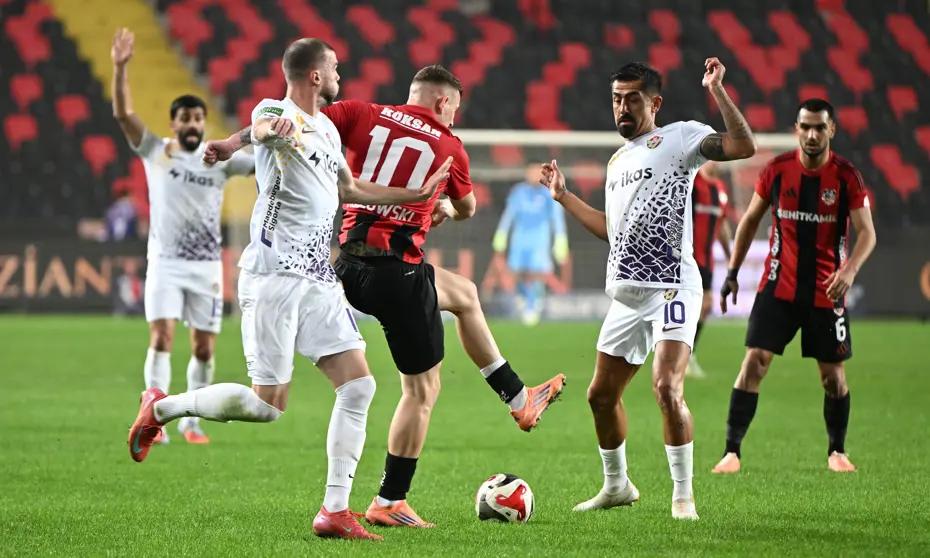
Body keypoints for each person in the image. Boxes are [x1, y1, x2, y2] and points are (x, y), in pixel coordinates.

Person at [203, 65, 566, 529]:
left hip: (347, 266)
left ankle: (519, 398)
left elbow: (285, 119)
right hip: (398, 276)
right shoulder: (449, 146)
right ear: (441, 102)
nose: (455, 116)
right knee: (421, 389)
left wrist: (234, 143)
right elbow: (468, 208)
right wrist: (442, 208)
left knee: (466, 295)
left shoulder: (360, 113)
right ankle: (390, 500)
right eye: (455, 107)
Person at [128, 38, 451, 541]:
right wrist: (241, 141)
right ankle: (163, 408)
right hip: (274, 276)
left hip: (320, 280)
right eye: (335, 67)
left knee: (360, 386)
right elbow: (262, 129)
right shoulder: (276, 113)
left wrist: (418, 195)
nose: (341, 73)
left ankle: (335, 511)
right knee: (266, 406)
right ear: (316, 76)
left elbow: (351, 189)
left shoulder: (323, 128)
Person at [541, 59, 756, 520]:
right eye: (617, 98)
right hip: (628, 295)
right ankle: (617, 486)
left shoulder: (680, 137)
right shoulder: (617, 160)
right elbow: (612, 232)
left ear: (654, 103)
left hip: (673, 286)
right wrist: (563, 195)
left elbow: (742, 145)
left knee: (666, 387)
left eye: (632, 99)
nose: (622, 106)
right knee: (600, 396)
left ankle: (683, 496)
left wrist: (717, 90)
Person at [712, 98, 876, 475]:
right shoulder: (776, 171)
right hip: (777, 287)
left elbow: (868, 234)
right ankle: (731, 452)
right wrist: (733, 271)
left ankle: (837, 451)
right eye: (805, 126)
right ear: (796, 129)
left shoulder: (847, 177)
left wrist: (849, 271)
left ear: (831, 130)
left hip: (827, 291)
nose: (812, 134)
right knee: (754, 362)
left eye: (820, 127)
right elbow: (750, 220)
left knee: (832, 377)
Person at [111, 28, 255, 445]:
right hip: (166, 263)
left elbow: (264, 165)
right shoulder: (158, 152)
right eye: (185, 119)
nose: (192, 124)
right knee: (161, 337)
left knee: (204, 349)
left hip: (207, 266)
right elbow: (123, 116)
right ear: (173, 122)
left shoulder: (220, 158)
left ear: (203, 122)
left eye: (197, 118)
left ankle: (190, 421)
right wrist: (121, 68)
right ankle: (152, 418)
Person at [493, 163, 569, 325]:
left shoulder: (549, 192)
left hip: (539, 239)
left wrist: (560, 238)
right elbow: (509, 215)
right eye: (531, 172)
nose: (534, 175)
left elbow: (557, 218)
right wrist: (501, 234)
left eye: (537, 172)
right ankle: (524, 299)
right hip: (519, 239)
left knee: (536, 272)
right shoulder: (518, 192)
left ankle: (534, 304)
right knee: (518, 272)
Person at [685, 161, 733, 378]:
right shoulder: (693, 182)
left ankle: (686, 355)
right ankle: (681, 356)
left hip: (707, 259)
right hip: (687, 257)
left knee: (706, 306)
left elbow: (721, 225)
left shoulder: (721, 189)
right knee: (692, 306)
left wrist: (731, 256)